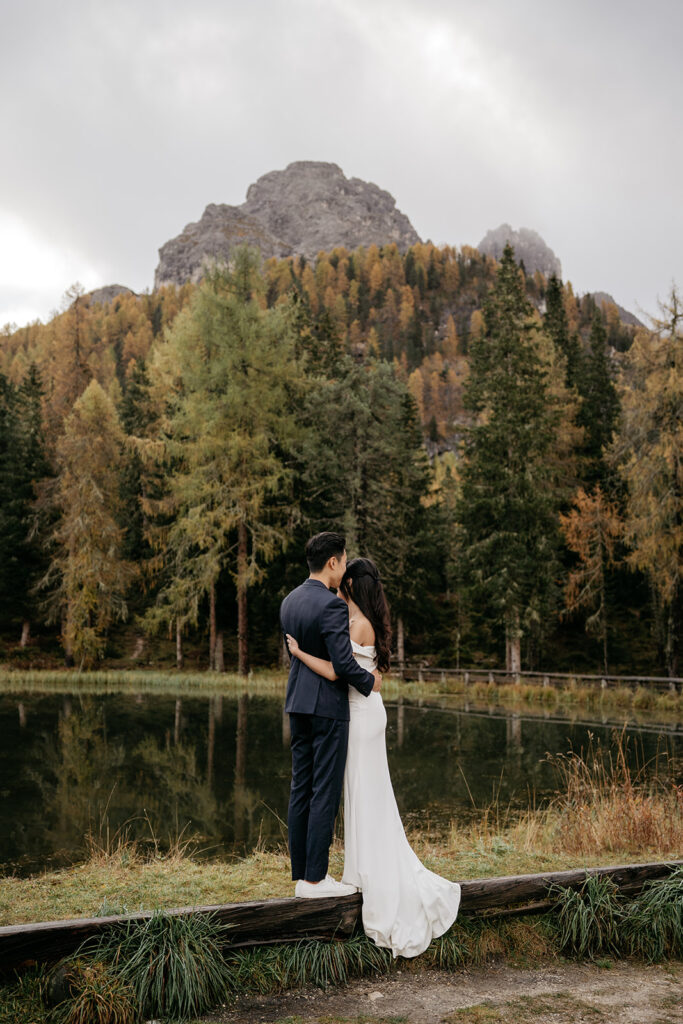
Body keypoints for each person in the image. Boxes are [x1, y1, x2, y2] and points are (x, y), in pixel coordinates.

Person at [285, 556, 461, 958]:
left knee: (364, 796)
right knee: (366, 796)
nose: (338, 586)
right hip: (363, 714)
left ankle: (373, 878)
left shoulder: (358, 623)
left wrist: (298, 653)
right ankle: (360, 873)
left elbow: (337, 671)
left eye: (344, 582)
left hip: (361, 720)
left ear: (353, 587)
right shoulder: (357, 619)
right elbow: (368, 675)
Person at [280, 532, 383, 898]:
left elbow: (297, 655)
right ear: (333, 562)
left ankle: (301, 874)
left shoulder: (290, 601)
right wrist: (370, 681)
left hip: (297, 704)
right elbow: (342, 664)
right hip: (327, 709)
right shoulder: (333, 605)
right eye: (342, 559)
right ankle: (315, 879)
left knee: (300, 787)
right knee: (324, 790)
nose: (343, 566)